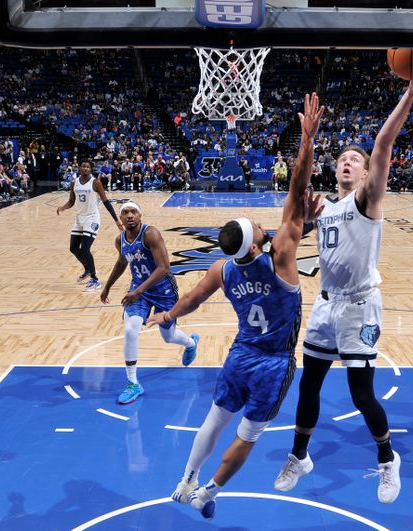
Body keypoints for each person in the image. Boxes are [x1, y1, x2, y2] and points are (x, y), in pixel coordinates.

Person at [145, 93, 324, 520]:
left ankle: (187, 476)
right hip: (272, 363)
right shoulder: (281, 256)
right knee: (247, 435)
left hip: (239, 356)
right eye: (259, 225)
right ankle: (207, 492)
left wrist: (169, 315)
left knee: (215, 419)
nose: (263, 223)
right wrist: (306, 141)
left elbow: (188, 298)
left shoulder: (224, 270)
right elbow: (298, 185)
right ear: (259, 240)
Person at [274, 60, 413, 504]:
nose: (348, 162)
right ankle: (300, 455)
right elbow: (295, 232)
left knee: (361, 393)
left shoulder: (368, 202)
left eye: (356, 160)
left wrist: (412, 90)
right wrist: (306, 223)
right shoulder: (324, 207)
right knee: (308, 384)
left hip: (361, 305)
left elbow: (383, 145)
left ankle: (388, 459)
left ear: (367, 174)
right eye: (343, 158)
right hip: (327, 305)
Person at [100, 200, 200, 405]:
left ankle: (190, 343)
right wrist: (108, 286)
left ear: (140, 215)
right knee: (131, 329)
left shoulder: (150, 234)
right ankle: (133, 383)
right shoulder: (120, 240)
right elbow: (122, 262)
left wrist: (137, 290)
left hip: (163, 289)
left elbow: (164, 267)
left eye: (133, 212)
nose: (129, 215)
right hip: (139, 291)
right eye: (125, 212)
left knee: (168, 336)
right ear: (120, 218)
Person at [56, 160, 122, 292]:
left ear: (91, 169)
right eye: (83, 166)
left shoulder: (95, 183)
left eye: (88, 167)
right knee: (73, 248)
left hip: (92, 218)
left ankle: (95, 279)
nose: (85, 168)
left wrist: (116, 220)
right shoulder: (74, 183)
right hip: (79, 219)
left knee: (85, 248)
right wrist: (63, 207)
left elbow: (106, 202)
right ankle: (87, 268)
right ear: (80, 168)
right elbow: (71, 201)